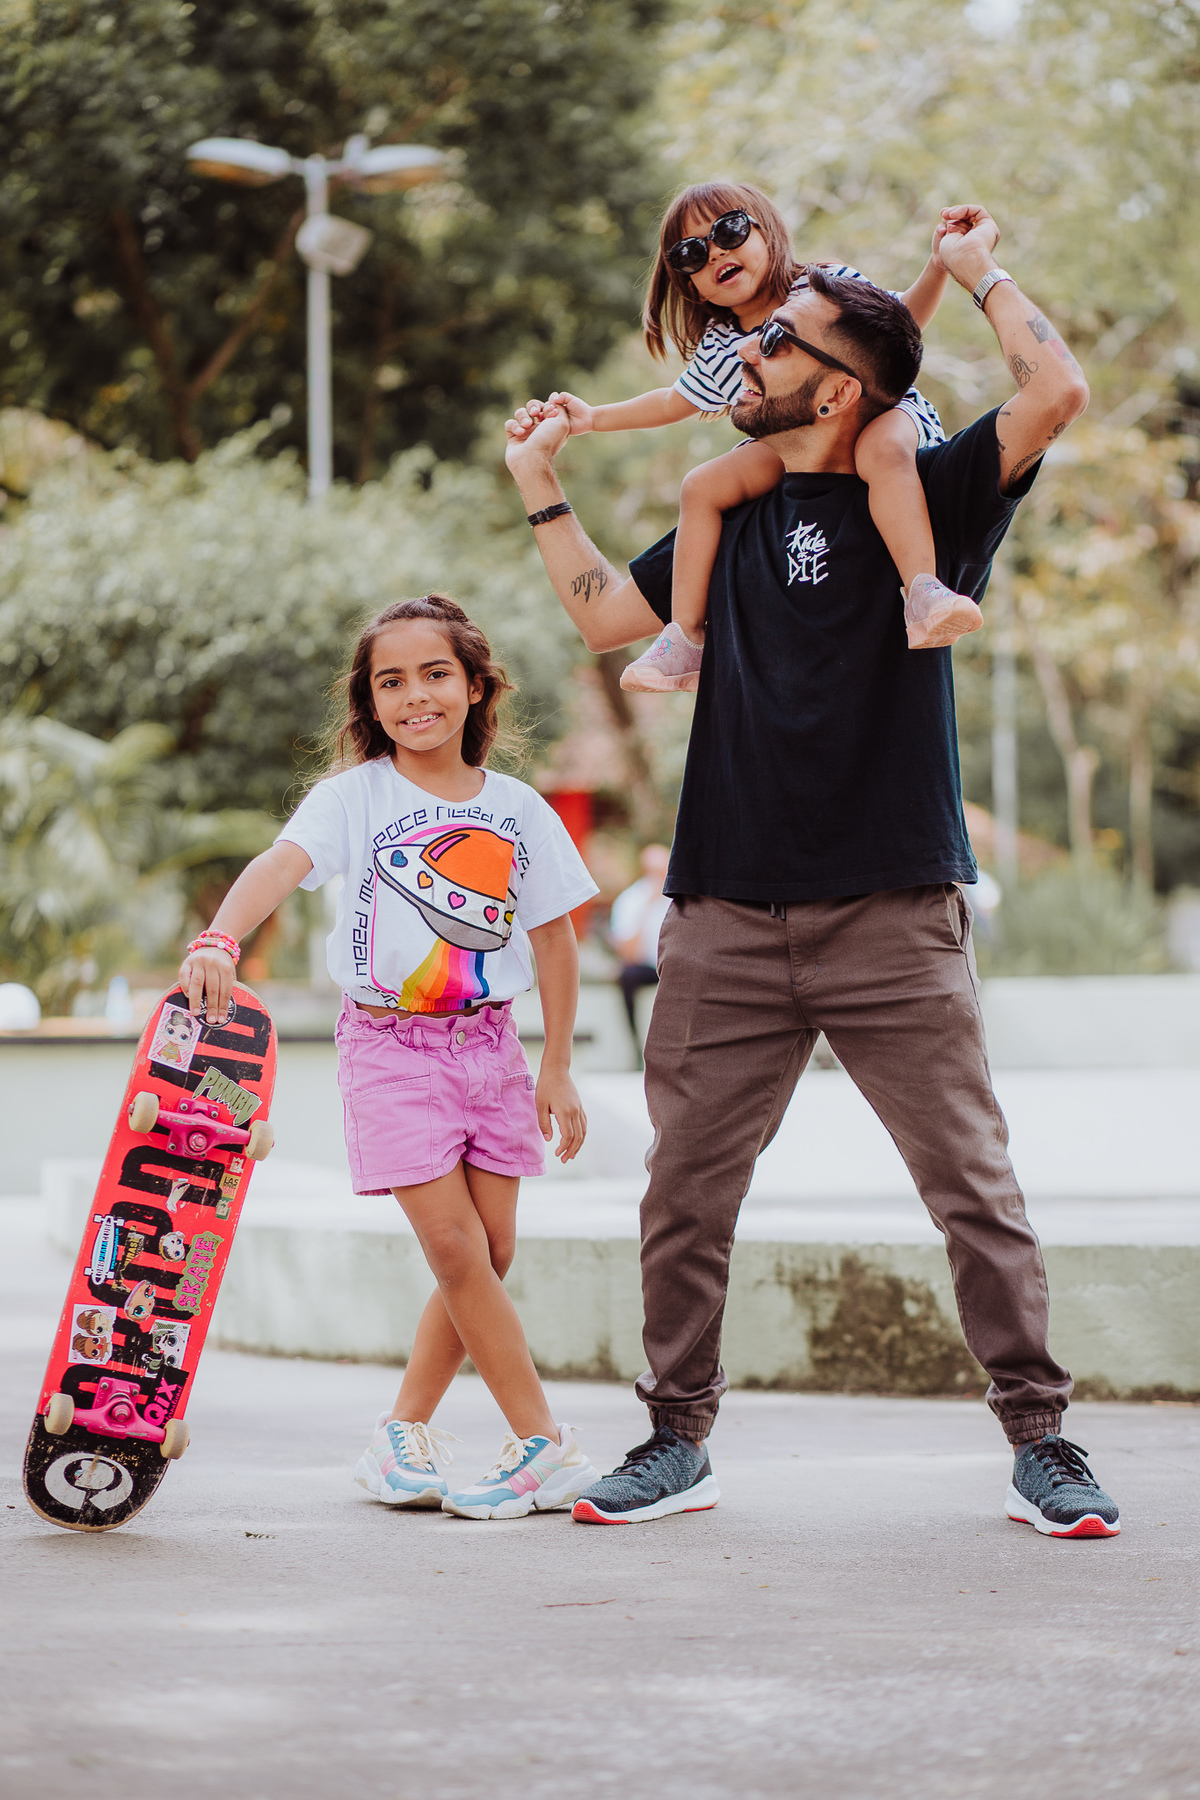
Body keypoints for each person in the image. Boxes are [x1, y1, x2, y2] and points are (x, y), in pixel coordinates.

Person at [504, 205, 1122, 1540]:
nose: (751, 349)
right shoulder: (727, 512)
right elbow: (613, 616)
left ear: (838, 382)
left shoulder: (936, 495)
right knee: (684, 1192)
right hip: (723, 909)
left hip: (892, 906)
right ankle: (677, 1437)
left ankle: (1042, 1440)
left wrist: (977, 269)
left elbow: (1057, 388)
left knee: (973, 1190)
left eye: (780, 341)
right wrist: (541, 485)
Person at [179, 594, 601, 1522]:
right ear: (370, 702)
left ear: (476, 684)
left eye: (435, 674)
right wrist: (219, 938)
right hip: (388, 1047)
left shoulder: (518, 808)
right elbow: (280, 865)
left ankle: (400, 1431)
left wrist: (556, 1066)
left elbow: (558, 942)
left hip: (492, 1046)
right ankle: (544, 1444)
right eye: (391, 681)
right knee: (453, 1247)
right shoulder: (353, 798)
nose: (416, 696)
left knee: (489, 1251)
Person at [538, 181, 980, 694]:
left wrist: (940, 265)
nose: (715, 253)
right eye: (691, 254)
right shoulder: (722, 345)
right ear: (690, 285)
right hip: (793, 442)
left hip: (875, 411)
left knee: (881, 450)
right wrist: (593, 418)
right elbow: (671, 402)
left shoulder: (823, 286)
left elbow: (899, 325)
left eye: (728, 230)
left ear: (767, 232)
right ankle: (684, 637)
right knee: (701, 486)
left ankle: (923, 590)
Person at [610, 844, 672, 1053]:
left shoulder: (681, 899)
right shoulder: (631, 900)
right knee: (627, 976)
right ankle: (636, 1046)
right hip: (647, 967)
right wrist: (648, 907)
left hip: (676, 964)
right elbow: (629, 953)